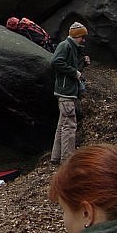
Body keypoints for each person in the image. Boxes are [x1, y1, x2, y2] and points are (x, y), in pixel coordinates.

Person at [50, 22, 89, 164]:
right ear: (76, 35)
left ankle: (55, 157)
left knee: (62, 126)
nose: (83, 40)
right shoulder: (65, 46)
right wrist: (75, 72)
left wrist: (83, 62)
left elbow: (72, 66)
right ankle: (67, 160)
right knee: (70, 126)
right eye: (82, 37)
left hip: (68, 92)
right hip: (66, 93)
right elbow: (55, 62)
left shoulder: (73, 48)